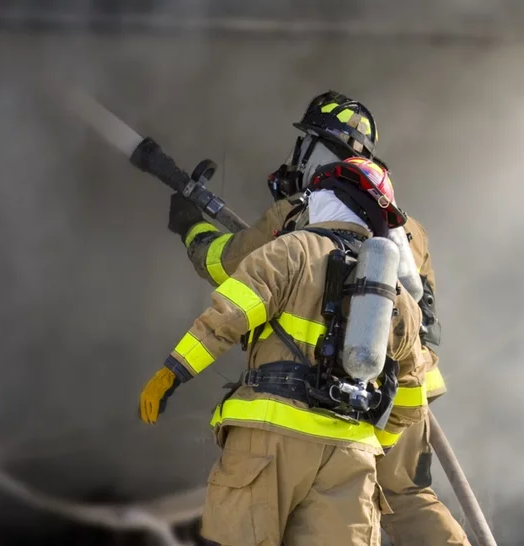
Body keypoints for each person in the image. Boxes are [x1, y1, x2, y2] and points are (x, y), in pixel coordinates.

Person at [167, 91, 468, 545]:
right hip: (407, 386)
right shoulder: (407, 227)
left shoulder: (297, 214)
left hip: (326, 393)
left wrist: (192, 227)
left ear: (320, 149)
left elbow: (228, 267)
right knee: (409, 496)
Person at [140, 158, 427, 546]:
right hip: (351, 462)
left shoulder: (292, 250)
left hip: (269, 445)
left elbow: (229, 315)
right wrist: (372, 445)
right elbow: (410, 402)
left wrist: (173, 372)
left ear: (329, 197)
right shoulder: (400, 300)